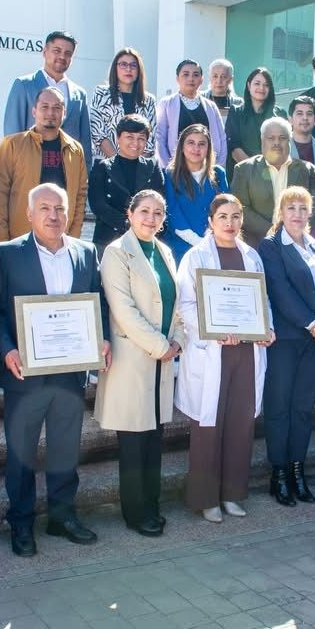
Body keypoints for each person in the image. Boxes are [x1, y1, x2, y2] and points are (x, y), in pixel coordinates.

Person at [0, 184, 109, 556]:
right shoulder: (7, 254)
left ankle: (62, 516)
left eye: (60, 208)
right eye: (44, 208)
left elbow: (98, 302)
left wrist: (103, 338)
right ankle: (21, 522)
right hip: (24, 373)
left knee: (65, 447)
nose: (53, 215)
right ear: (29, 213)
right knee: (22, 452)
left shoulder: (85, 252)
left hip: (70, 371)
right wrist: (7, 349)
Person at [176, 195, 274, 522]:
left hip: (246, 351)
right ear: (210, 221)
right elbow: (185, 305)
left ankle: (233, 494)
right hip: (213, 352)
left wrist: (267, 328)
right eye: (222, 216)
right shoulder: (195, 256)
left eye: (235, 216)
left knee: (240, 424)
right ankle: (206, 498)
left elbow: (262, 300)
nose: (229, 223)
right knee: (209, 426)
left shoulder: (252, 256)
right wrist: (213, 331)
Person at [95, 190, 185, 536]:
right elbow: (123, 309)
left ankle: (152, 504)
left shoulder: (165, 251)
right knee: (133, 443)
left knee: (154, 439)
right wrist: (161, 345)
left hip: (162, 359)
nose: (151, 218)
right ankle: (135, 513)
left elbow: (176, 304)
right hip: (133, 358)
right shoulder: (117, 252)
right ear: (130, 214)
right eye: (144, 211)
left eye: (158, 213)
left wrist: (178, 340)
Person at [259, 187, 315, 505]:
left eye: (302, 208)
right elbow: (280, 290)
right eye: (291, 208)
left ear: (309, 213)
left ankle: (297, 471)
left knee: (303, 409)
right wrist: (310, 323)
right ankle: (278, 474)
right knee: (279, 407)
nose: (297, 214)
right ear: (281, 212)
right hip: (287, 339)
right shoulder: (271, 246)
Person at [0, 87, 88, 242]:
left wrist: (73, 239)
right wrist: (2, 241)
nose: (50, 112)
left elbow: (80, 197)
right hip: (19, 239)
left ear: (64, 113)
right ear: (34, 111)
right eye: (45, 107)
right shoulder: (12, 145)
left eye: (57, 108)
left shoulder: (75, 150)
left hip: (60, 240)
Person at [4, 30, 92, 171]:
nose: (62, 56)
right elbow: (12, 132)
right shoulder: (24, 85)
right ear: (44, 52)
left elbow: (85, 141)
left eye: (68, 53)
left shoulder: (79, 94)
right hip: (30, 169)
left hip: (68, 172)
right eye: (57, 51)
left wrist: (85, 173)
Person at [230, 117, 315, 246]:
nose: (276, 143)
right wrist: (272, 230)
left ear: (290, 140)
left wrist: (291, 231)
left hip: (296, 244)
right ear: (262, 140)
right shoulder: (244, 169)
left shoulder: (308, 171)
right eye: (271, 138)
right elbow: (240, 207)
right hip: (256, 245)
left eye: (282, 138)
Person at [89, 114, 164, 253]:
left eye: (141, 138)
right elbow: (98, 205)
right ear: (118, 138)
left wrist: (142, 227)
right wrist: (129, 224)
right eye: (129, 137)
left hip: (144, 238)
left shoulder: (152, 167)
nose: (135, 143)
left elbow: (159, 202)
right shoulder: (102, 167)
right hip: (108, 239)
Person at [164, 123, 229, 264]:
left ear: (208, 148)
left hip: (215, 247)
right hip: (180, 249)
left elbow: (226, 210)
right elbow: (173, 213)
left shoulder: (218, 174)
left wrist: (213, 242)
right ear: (182, 147)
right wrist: (199, 243)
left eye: (202, 144)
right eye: (191, 143)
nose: (196, 148)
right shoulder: (169, 175)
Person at [89, 47, 158, 161]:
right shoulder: (101, 93)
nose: (128, 69)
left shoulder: (149, 100)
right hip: (106, 163)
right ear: (115, 68)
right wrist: (119, 163)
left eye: (133, 65)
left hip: (139, 167)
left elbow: (151, 138)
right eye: (123, 64)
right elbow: (98, 133)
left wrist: (136, 165)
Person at [155, 60, 226, 166]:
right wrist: (168, 168)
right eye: (186, 74)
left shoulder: (211, 106)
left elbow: (222, 138)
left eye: (196, 75)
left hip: (206, 168)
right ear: (177, 78)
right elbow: (159, 138)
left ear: (201, 80)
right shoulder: (166, 104)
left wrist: (217, 166)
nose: (191, 79)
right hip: (176, 168)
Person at [224, 67, 285, 176]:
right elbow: (234, 147)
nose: (261, 88)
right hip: (244, 174)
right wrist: (256, 172)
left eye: (266, 85)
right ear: (249, 85)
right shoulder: (236, 112)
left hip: (274, 174)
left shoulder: (280, 114)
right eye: (257, 83)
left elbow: (284, 146)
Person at [287, 96, 315, 185]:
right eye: (299, 113)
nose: (305, 118)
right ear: (290, 119)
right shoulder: (281, 150)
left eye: (309, 114)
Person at [206, 58, 243, 126]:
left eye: (224, 77)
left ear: (231, 79)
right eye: (215, 76)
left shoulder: (238, 103)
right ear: (210, 78)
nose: (219, 81)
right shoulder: (201, 99)